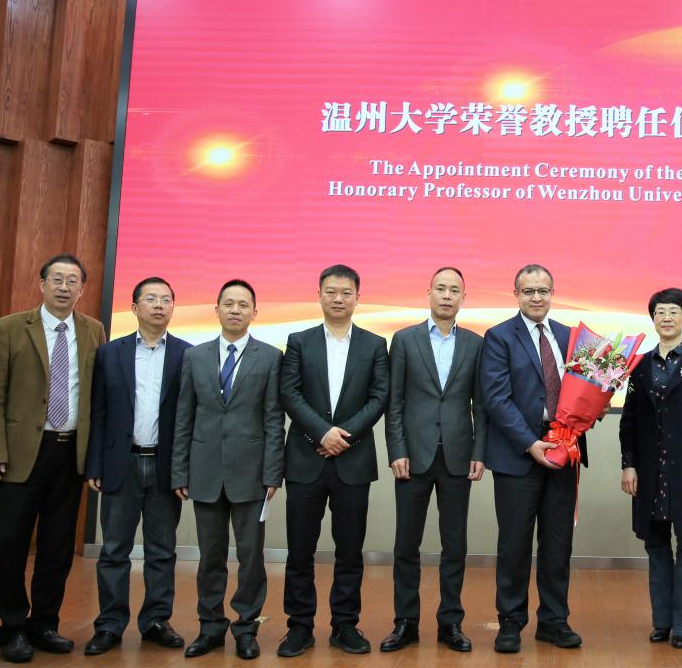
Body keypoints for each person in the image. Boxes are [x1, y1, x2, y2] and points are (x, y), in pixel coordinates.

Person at [0, 254, 107, 663]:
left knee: (57, 546)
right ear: (42, 284)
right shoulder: (10, 327)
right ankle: (11, 627)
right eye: (57, 279)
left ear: (82, 288)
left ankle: (44, 624)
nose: (64, 287)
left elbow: (99, 396)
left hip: (70, 453)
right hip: (20, 455)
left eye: (72, 281)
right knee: (12, 543)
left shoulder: (93, 330)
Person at [278, 265, 389, 657]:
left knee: (350, 551)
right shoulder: (299, 341)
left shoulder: (375, 344)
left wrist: (344, 436)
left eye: (346, 292)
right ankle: (299, 627)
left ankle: (345, 625)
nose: (338, 298)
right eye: (331, 291)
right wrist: (321, 433)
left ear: (358, 297)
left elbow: (379, 397)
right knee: (299, 551)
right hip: (305, 459)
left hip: (353, 462)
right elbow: (290, 394)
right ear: (320, 295)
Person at [171, 279, 284, 660]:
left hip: (251, 474)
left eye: (243, 304)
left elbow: (274, 419)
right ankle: (210, 626)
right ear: (216, 309)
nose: (236, 310)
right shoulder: (195, 357)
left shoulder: (270, 357)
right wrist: (179, 471)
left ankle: (247, 628)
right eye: (229, 303)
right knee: (210, 556)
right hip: (204, 471)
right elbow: (184, 417)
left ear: (255, 312)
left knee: (251, 557)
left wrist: (272, 473)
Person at [379, 267, 485, 653]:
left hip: (458, 456)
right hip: (413, 457)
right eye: (440, 288)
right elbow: (394, 402)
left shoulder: (476, 344)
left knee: (454, 545)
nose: (446, 295)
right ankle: (405, 622)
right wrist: (397, 450)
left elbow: (480, 406)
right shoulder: (404, 340)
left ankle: (450, 622)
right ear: (428, 293)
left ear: (463, 298)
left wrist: (479, 452)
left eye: (454, 290)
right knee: (406, 544)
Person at [83, 277, 191, 655]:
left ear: (173, 307)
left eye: (166, 299)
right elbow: (98, 412)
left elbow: (190, 419)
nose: (159, 305)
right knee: (114, 550)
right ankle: (109, 624)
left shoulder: (187, 355)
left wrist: (184, 469)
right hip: (121, 463)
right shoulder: (110, 354)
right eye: (151, 299)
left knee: (162, 550)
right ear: (134, 308)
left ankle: (156, 620)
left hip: (164, 466)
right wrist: (95, 464)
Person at [479, 263, 581, 653]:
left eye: (542, 290)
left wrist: (591, 408)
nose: (536, 297)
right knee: (515, 545)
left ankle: (554, 621)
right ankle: (510, 622)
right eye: (528, 291)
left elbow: (584, 388)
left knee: (558, 544)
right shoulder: (499, 337)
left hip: (564, 453)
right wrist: (530, 443)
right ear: (516, 294)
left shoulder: (570, 337)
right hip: (518, 456)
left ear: (552, 293)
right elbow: (496, 399)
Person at [620, 288, 682, 649]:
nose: (666, 318)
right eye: (660, 312)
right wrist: (629, 464)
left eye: (673, 312)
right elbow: (629, 421)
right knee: (656, 546)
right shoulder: (640, 365)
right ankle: (661, 621)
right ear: (653, 318)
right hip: (651, 471)